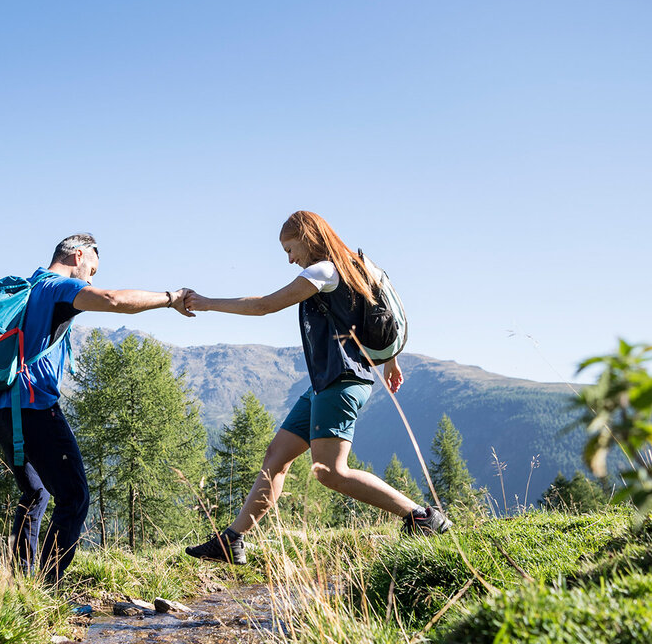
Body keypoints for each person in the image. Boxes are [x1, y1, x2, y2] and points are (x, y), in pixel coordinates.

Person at [181, 210, 452, 565]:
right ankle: (232, 540)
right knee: (276, 457)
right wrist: (391, 359)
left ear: (307, 238)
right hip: (326, 382)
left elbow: (264, 306)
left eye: (290, 249)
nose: (289, 259)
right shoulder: (354, 266)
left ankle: (421, 517)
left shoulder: (324, 270)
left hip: (341, 382)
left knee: (329, 472)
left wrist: (207, 303)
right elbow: (381, 319)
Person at [0, 233, 193, 585]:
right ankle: (48, 589)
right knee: (75, 498)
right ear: (77, 256)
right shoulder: (55, 287)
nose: (91, 279)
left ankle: (21, 583)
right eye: (92, 270)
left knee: (35, 493)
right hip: (35, 409)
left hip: (0, 410)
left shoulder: (26, 288)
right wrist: (170, 298)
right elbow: (113, 300)